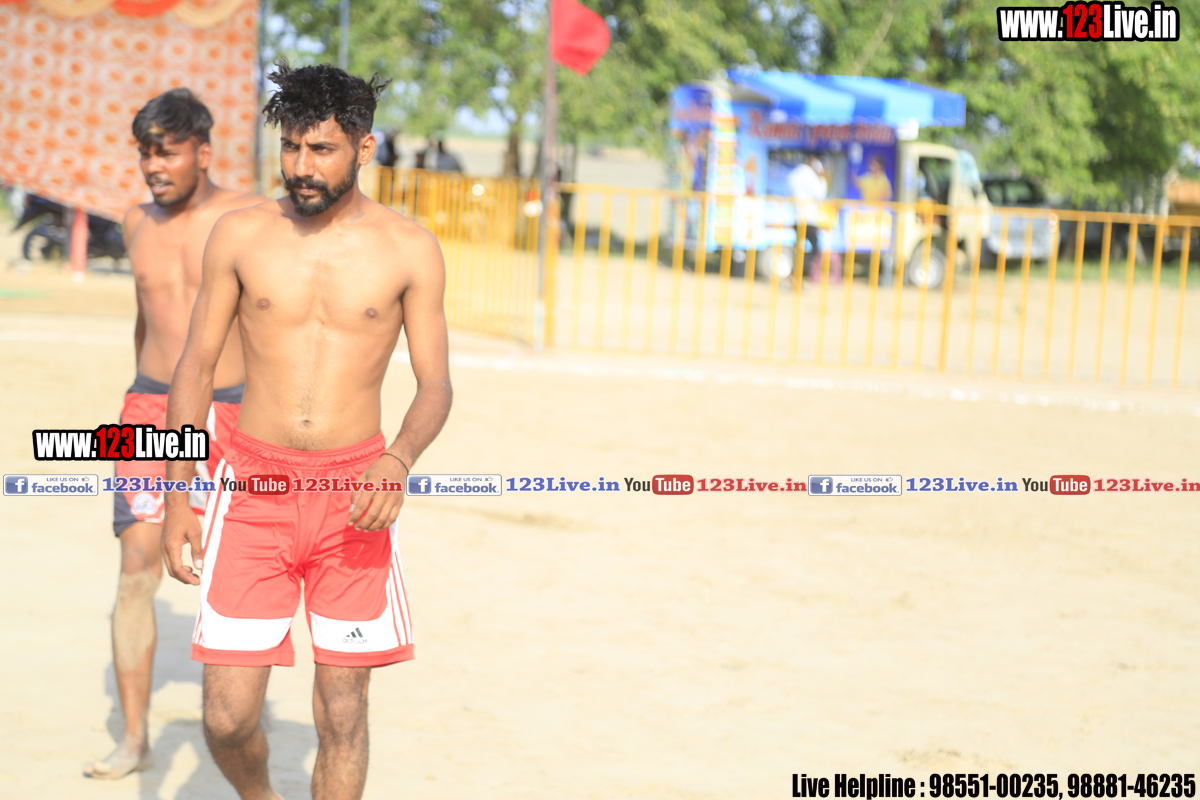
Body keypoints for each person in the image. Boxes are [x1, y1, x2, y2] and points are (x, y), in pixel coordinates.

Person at [162, 60, 452, 800]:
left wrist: (399, 459)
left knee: (343, 711)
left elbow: (436, 385)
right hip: (250, 491)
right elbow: (195, 368)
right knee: (226, 718)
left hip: (355, 498)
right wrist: (176, 497)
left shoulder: (409, 248)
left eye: (320, 149)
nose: (300, 166)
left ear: (364, 148)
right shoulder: (240, 235)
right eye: (291, 147)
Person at [85, 88, 263, 780]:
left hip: (233, 411)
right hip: (149, 410)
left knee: (236, 570)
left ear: (204, 152)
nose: (153, 166)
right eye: (145, 153)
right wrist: (138, 402)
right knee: (136, 566)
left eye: (167, 151)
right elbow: (145, 317)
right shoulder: (135, 222)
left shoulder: (248, 219)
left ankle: (236, 728)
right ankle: (134, 739)